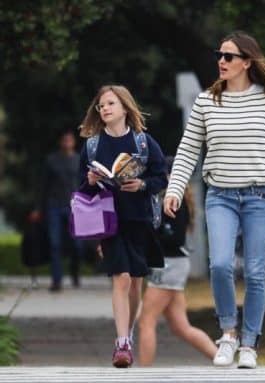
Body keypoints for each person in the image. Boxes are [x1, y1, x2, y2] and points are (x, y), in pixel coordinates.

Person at [164, 31, 265, 369]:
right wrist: (174, 189)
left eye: (228, 56)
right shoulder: (205, 102)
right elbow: (188, 150)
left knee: (256, 272)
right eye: (219, 55)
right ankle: (228, 334)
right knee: (220, 265)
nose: (221, 61)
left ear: (247, 62)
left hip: (262, 196)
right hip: (221, 197)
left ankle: (250, 343)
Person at [78, 84, 167, 368]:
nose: (104, 109)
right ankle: (122, 344)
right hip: (109, 222)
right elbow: (81, 190)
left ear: (125, 108)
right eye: (101, 105)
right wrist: (91, 183)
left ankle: (126, 332)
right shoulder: (92, 145)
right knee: (122, 277)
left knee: (135, 281)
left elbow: (161, 178)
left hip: (140, 220)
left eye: (110, 104)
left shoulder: (143, 142)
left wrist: (141, 184)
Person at [138, 157, 217, 366]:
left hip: (170, 265)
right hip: (172, 264)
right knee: (181, 327)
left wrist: (151, 235)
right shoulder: (167, 200)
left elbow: (175, 238)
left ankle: (142, 373)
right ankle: (222, 360)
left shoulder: (175, 202)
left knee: (146, 320)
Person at [30, 130, 84, 292]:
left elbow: (85, 185)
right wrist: (38, 208)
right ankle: (57, 280)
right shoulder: (51, 160)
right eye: (64, 140)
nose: (67, 143)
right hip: (54, 205)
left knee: (77, 244)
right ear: (61, 142)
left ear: (73, 142)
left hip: (74, 206)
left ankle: (75, 271)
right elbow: (43, 186)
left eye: (70, 140)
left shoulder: (79, 160)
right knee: (55, 243)